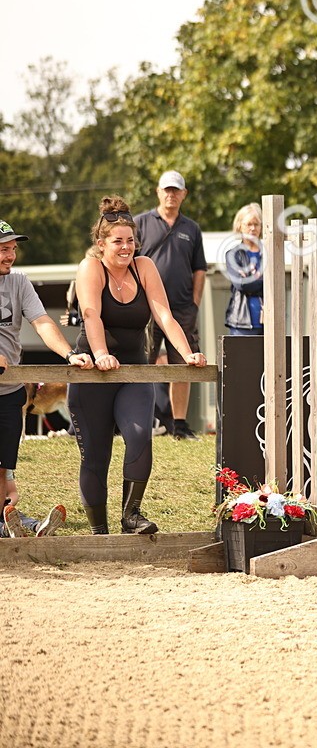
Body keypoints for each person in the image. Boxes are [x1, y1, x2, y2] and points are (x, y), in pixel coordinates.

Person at [70, 196, 207, 535]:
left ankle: (131, 516)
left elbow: (164, 314)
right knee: (96, 457)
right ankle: (99, 533)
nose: (126, 247)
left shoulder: (143, 266)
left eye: (130, 240)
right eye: (118, 241)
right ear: (101, 244)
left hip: (134, 369)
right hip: (93, 373)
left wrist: (187, 352)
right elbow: (91, 314)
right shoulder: (91, 267)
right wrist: (100, 353)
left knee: (140, 434)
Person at [0, 219, 90, 536]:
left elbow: (42, 323)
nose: (9, 255)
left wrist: (68, 354)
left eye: (12, 249)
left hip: (9, 390)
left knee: (4, 468)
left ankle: (11, 522)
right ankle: (14, 522)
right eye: (2, 249)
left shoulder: (20, 283)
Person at [134, 170, 206, 440]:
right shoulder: (140, 223)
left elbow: (200, 269)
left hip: (182, 309)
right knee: (143, 363)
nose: (171, 194)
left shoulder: (192, 228)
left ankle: (179, 425)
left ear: (184, 194)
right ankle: (139, 420)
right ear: (158, 191)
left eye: (176, 190)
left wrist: (195, 303)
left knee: (183, 365)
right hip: (147, 308)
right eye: (167, 189)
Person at [224, 203, 265, 336]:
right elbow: (241, 284)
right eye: (248, 224)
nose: (253, 228)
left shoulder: (269, 254)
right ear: (239, 226)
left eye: (256, 224)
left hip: (269, 323)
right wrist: (263, 280)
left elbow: (277, 284)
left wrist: (252, 279)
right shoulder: (233, 254)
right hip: (240, 324)